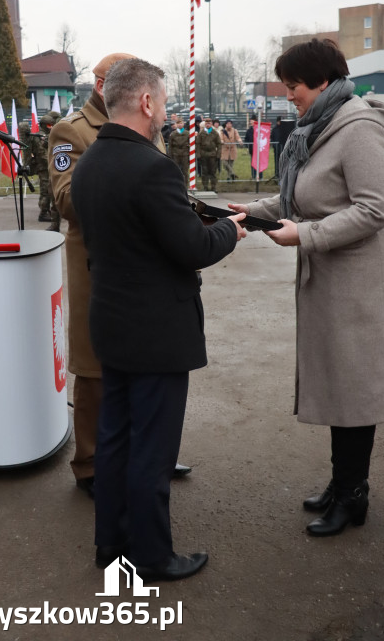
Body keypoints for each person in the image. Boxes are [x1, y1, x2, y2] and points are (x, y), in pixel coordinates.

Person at [229, 38, 384, 537]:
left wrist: (306, 235)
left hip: (361, 281)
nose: (288, 95)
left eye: (293, 85)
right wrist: (247, 212)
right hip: (333, 276)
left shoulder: (357, 128)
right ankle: (343, 483)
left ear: (321, 81)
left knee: (356, 386)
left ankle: (353, 495)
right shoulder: (320, 125)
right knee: (342, 382)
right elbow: (298, 196)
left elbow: (373, 210)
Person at [70, 57, 246, 580]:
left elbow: (134, 235)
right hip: (155, 333)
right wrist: (231, 231)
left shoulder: (92, 161)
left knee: (118, 443)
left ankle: (112, 549)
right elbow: (191, 248)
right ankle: (150, 557)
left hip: (113, 325)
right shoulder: (152, 166)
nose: (165, 113)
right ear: (146, 102)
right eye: (164, 103)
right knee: (152, 449)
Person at [49, 52, 190, 499]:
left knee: (147, 367)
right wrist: (119, 186)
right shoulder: (72, 132)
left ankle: (151, 456)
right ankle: (90, 465)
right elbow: (66, 200)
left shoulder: (146, 128)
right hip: (98, 262)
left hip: (146, 261)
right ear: (102, 85)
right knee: (95, 368)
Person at [39, 111, 62, 231]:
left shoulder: (63, 131)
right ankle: (55, 224)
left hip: (63, 166)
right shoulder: (49, 135)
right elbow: (44, 145)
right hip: (54, 167)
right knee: (53, 195)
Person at [196, 117, 221, 192]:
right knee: (204, 172)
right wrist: (198, 155)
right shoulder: (201, 133)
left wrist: (218, 155)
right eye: (206, 123)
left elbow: (219, 144)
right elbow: (198, 144)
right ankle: (205, 187)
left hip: (212, 155)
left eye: (209, 123)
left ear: (211, 124)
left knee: (213, 172)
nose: (208, 125)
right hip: (204, 155)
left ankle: (213, 187)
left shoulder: (215, 133)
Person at [168, 118, 190, 187]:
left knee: (185, 171)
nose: (180, 125)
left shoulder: (187, 133)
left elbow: (191, 143)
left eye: (181, 123)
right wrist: (170, 155)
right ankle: (176, 185)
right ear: (176, 124)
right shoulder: (173, 134)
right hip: (175, 154)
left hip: (185, 154)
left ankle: (185, 185)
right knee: (176, 170)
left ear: (183, 124)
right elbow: (170, 145)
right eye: (178, 123)